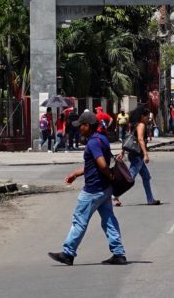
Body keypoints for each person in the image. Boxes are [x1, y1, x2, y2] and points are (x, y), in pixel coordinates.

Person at [47, 110, 127, 266]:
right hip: (104, 189)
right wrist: (76, 173)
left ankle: (68, 253)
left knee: (79, 220)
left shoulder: (93, 142)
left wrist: (109, 174)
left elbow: (102, 164)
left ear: (88, 126)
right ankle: (119, 254)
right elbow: (93, 165)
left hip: (93, 190)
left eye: (81, 126)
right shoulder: (102, 139)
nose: (79, 128)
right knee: (109, 221)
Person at [123, 106, 161, 205]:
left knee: (146, 177)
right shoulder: (141, 125)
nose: (148, 119)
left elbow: (129, 139)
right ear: (142, 116)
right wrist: (145, 154)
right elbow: (140, 139)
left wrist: (122, 152)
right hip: (137, 155)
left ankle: (150, 199)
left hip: (135, 155)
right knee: (130, 178)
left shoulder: (135, 125)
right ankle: (115, 196)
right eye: (147, 117)